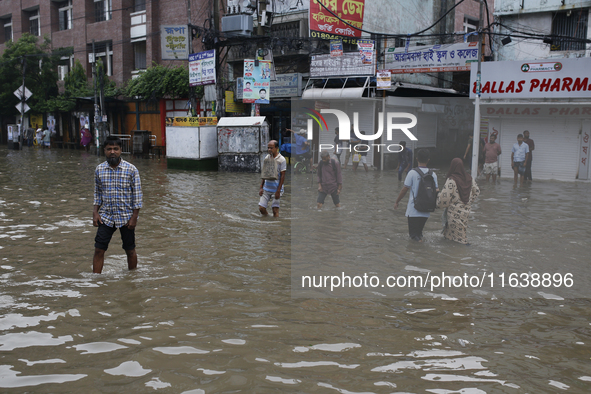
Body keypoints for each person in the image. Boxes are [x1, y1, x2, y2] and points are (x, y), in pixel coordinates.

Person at [92, 136, 143, 274]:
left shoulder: (131, 170)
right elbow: (97, 193)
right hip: (106, 216)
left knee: (130, 250)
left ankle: (132, 279)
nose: (112, 152)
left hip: (126, 217)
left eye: (116, 149)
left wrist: (134, 217)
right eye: (109, 149)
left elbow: (137, 196)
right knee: (99, 249)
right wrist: (95, 212)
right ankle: (96, 281)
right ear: (104, 150)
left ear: (121, 150)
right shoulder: (99, 170)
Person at [394, 149, 439, 242]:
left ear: (417, 159)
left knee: (413, 236)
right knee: (419, 233)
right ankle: (422, 251)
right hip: (426, 209)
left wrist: (397, 201)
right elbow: (437, 191)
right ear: (428, 160)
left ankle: (417, 253)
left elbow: (404, 189)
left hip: (414, 209)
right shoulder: (433, 174)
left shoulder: (412, 173)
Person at [436, 158, 480, 245]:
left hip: (454, 213)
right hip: (465, 212)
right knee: (451, 235)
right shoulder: (469, 179)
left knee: (459, 239)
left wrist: (437, 200)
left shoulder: (452, 180)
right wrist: (468, 201)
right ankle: (453, 255)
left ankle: (465, 252)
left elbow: (444, 199)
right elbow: (477, 191)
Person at [259, 140, 287, 217]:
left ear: (276, 148)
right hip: (266, 188)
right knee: (261, 208)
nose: (269, 150)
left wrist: (278, 191)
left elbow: (283, 176)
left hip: (276, 189)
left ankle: (275, 226)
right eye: (268, 148)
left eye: (271, 148)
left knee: (275, 210)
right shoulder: (267, 158)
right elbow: (264, 173)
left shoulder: (281, 159)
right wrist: (261, 187)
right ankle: (267, 221)